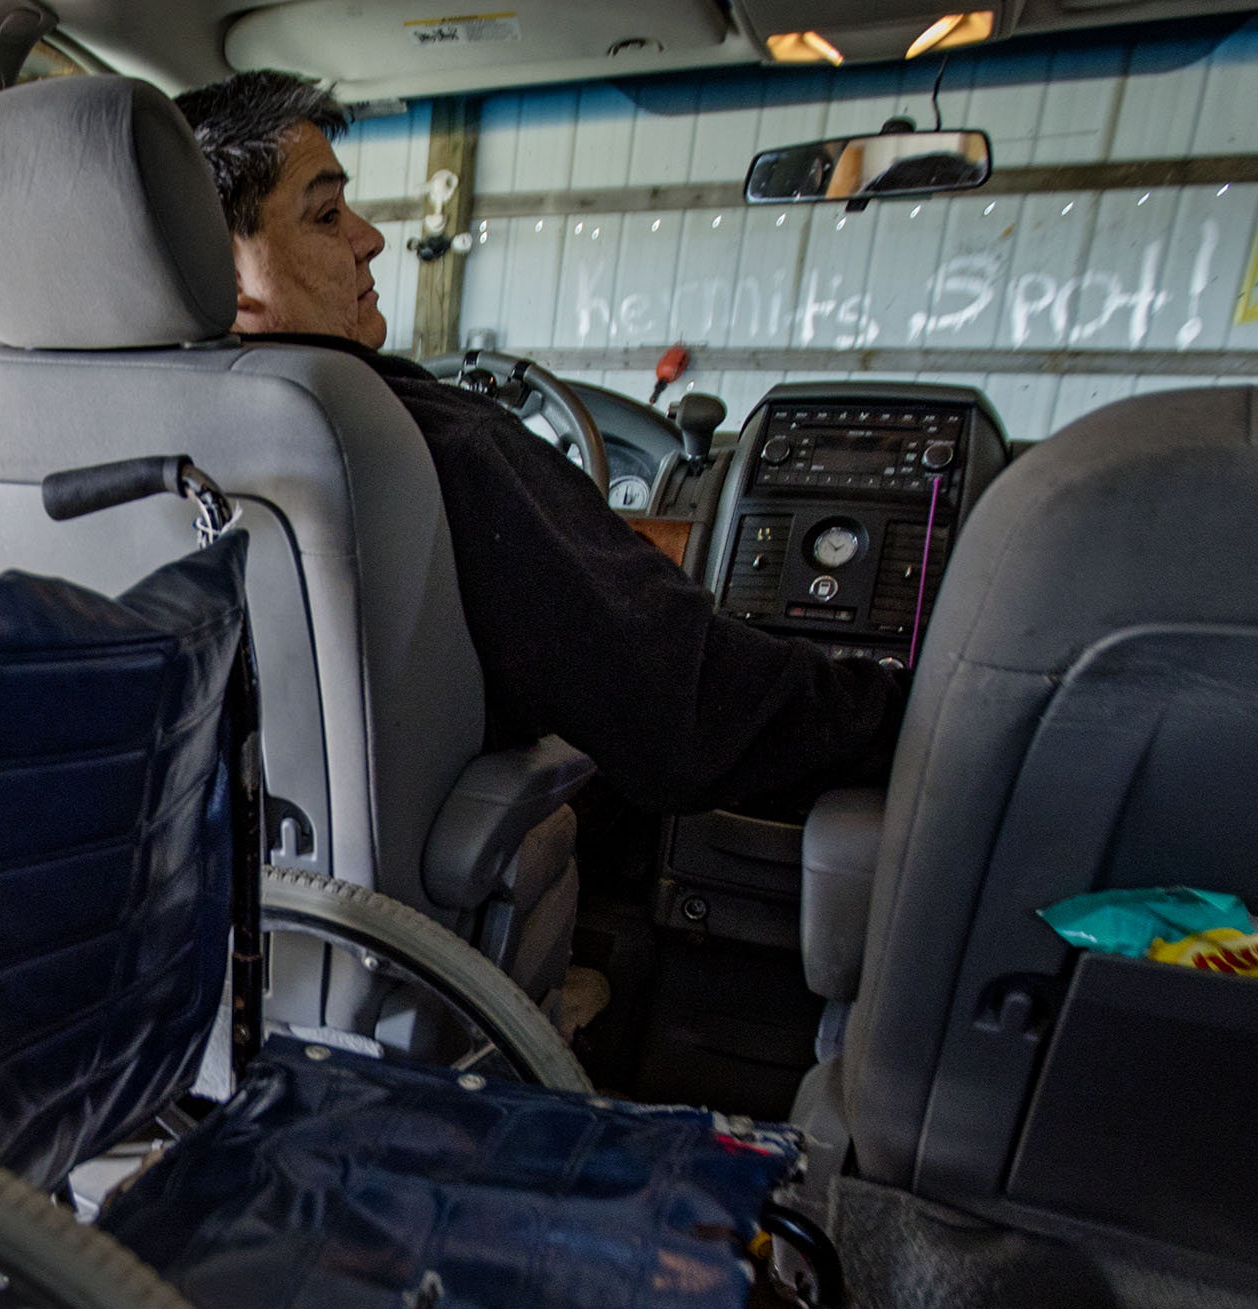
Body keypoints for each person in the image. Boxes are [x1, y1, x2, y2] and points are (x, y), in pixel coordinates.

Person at [174, 72, 904, 817]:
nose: (370, 237)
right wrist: (898, 708)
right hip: (404, 909)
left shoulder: (86, 453)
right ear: (227, 275)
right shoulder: (428, 446)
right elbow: (690, 715)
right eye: (327, 214)